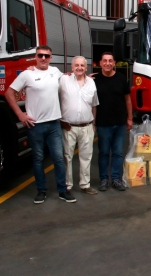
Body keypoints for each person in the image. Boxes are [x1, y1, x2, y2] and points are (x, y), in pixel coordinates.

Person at [5, 46, 76, 204]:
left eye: (47, 56)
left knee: (58, 158)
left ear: (50, 58)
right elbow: (9, 93)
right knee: (38, 159)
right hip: (35, 125)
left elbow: (69, 78)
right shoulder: (27, 74)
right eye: (40, 55)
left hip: (54, 124)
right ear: (35, 57)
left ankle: (63, 190)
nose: (43, 58)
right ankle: (41, 190)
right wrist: (20, 114)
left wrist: (84, 76)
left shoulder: (55, 72)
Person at [59, 56, 99, 195]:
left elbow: (94, 105)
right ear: (71, 67)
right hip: (68, 126)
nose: (79, 67)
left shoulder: (91, 83)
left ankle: (85, 185)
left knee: (86, 156)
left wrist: (93, 124)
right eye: (76, 65)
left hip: (87, 126)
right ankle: (67, 185)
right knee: (67, 156)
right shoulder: (63, 80)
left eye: (82, 65)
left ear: (86, 67)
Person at [94, 52, 133, 191]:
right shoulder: (94, 80)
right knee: (104, 153)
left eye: (110, 61)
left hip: (120, 123)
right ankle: (104, 179)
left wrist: (129, 118)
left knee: (117, 153)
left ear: (114, 63)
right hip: (103, 123)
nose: (107, 63)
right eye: (105, 61)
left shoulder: (121, 79)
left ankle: (116, 179)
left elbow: (128, 99)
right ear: (100, 63)